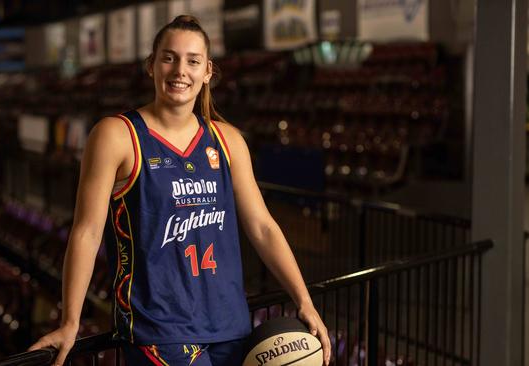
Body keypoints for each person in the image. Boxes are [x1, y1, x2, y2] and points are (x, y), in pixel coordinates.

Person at [29, 15, 331, 366]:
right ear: (151, 65)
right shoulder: (116, 135)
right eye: (169, 58)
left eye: (192, 61)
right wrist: (70, 321)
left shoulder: (227, 140)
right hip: (158, 329)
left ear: (207, 72)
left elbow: (263, 227)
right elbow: (87, 231)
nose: (179, 71)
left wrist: (305, 301)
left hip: (228, 325)